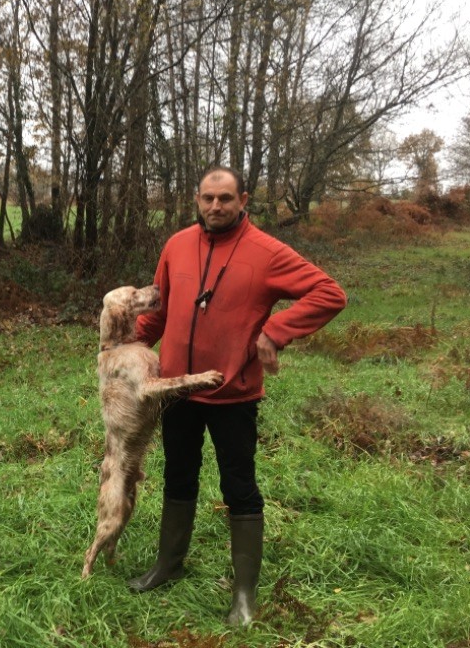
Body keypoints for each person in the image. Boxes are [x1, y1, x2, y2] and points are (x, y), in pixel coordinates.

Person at [129, 165, 347, 627]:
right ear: (197, 199)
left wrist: (276, 331)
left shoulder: (266, 252)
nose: (216, 207)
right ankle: (167, 565)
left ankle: (244, 594)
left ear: (243, 199)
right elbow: (161, 310)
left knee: (239, 488)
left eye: (225, 198)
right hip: (177, 391)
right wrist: (127, 348)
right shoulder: (176, 246)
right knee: (178, 476)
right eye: (208, 198)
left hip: (234, 394)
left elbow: (329, 292)